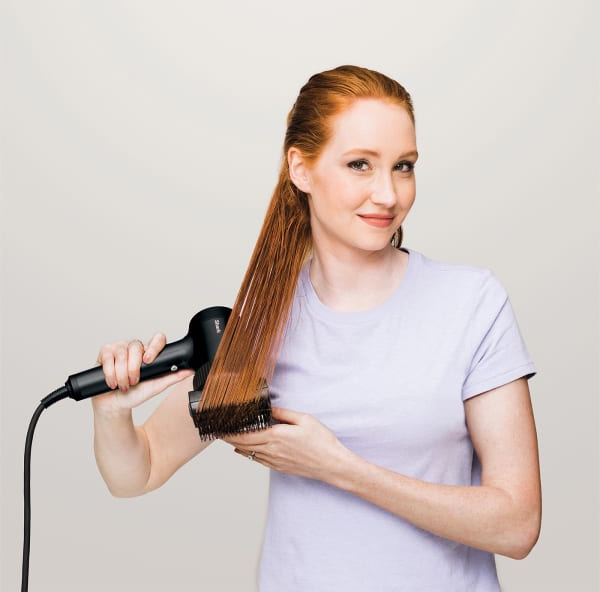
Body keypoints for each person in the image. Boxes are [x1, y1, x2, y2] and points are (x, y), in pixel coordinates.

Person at [93, 65, 541, 591]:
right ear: (300, 169)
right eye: (359, 165)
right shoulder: (263, 319)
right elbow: (141, 470)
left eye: (403, 166)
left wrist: (341, 469)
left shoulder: (471, 304)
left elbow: (517, 525)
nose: (388, 194)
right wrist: (112, 412)